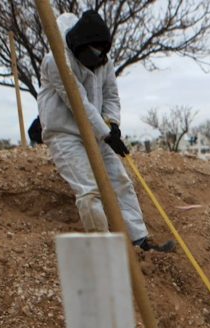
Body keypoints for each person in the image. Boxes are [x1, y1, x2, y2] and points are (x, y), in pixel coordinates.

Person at [37, 10, 173, 252]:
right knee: (89, 192)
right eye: (94, 53)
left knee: (121, 182)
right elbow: (78, 103)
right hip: (65, 133)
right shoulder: (56, 61)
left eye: (101, 53)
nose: (98, 58)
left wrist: (113, 125)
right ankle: (104, 250)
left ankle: (139, 241)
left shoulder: (104, 61)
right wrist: (106, 132)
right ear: (79, 45)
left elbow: (110, 95)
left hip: (98, 131)